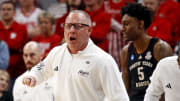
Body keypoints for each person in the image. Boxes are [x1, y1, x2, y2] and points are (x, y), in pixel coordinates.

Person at [23, 10, 129, 101]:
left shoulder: (103, 60)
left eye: (78, 26)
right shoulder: (56, 52)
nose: (72, 30)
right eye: (68, 26)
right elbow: (41, 68)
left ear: (89, 30)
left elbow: (119, 98)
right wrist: (33, 76)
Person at [120, 3, 173, 101]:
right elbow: (124, 89)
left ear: (140, 24)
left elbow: (170, 87)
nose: (122, 29)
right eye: (122, 24)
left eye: (126, 24)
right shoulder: (125, 51)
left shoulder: (160, 48)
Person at [0, 0, 28, 91]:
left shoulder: (21, 28)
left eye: (9, 9)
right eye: (3, 9)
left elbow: (24, 48)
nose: (6, 12)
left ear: (14, 12)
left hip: (17, 72)